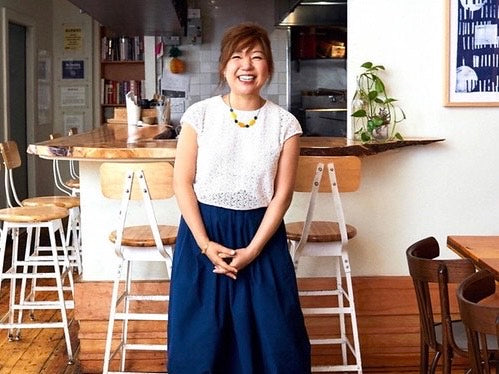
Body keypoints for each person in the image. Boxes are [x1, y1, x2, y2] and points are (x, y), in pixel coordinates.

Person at [168, 22, 311, 373]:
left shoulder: (285, 124)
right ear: (223, 66)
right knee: (201, 341)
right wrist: (204, 244)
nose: (246, 65)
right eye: (237, 56)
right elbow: (182, 183)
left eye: (257, 57)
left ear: (269, 68)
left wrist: (254, 250)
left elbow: (281, 195)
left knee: (276, 340)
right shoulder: (198, 116)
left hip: (260, 236)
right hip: (203, 234)